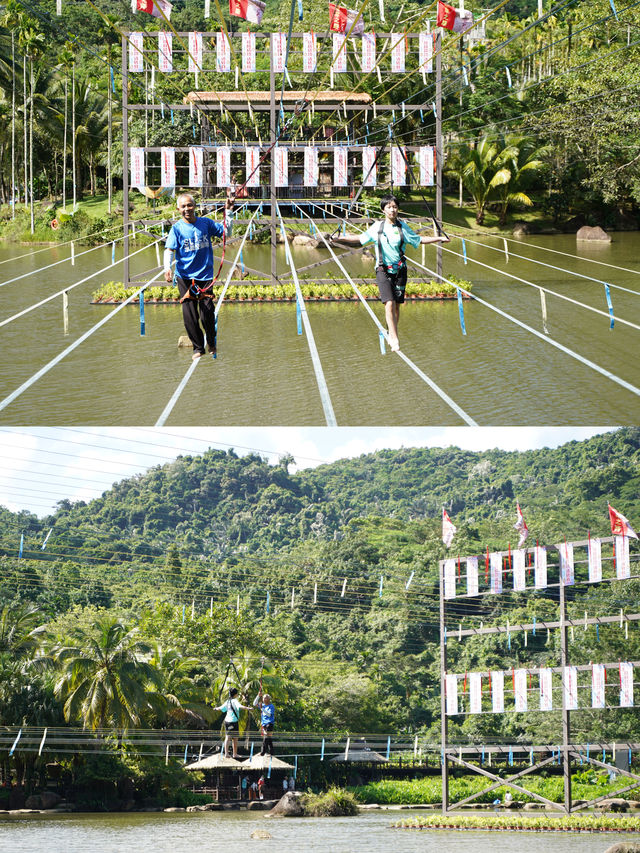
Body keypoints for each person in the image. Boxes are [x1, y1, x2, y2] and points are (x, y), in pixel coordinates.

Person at [330, 195, 449, 352]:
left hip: (400, 270)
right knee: (389, 303)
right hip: (383, 270)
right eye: (389, 207)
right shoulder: (377, 227)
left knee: (397, 306)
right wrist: (339, 239)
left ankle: (390, 331)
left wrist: (439, 238)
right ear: (383, 210)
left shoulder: (402, 227)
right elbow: (359, 238)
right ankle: (394, 338)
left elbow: (419, 239)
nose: (392, 210)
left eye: (395, 207)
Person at [164, 192, 235, 360]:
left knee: (207, 314)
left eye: (190, 205)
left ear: (194, 206)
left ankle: (211, 341)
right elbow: (169, 249)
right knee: (190, 315)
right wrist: (167, 268)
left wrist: (229, 212)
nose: (187, 209)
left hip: (204, 275)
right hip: (184, 276)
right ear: (178, 209)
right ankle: (198, 348)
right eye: (183, 206)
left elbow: (226, 232)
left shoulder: (206, 223)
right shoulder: (176, 229)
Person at [215, 687, 251, 759]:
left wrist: (216, 708)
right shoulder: (235, 701)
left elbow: (221, 708)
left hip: (227, 722)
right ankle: (231, 754)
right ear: (235, 694)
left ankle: (230, 754)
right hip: (233, 722)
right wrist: (248, 708)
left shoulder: (227, 701)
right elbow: (240, 706)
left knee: (231, 737)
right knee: (232, 737)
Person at [253, 691, 276, 756]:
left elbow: (269, 714)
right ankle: (272, 751)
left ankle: (263, 752)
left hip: (269, 723)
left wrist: (261, 708)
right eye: (263, 698)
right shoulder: (262, 705)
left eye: (265, 698)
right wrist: (258, 696)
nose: (263, 699)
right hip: (264, 724)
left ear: (269, 699)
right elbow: (254, 703)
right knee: (269, 738)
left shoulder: (271, 706)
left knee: (266, 737)